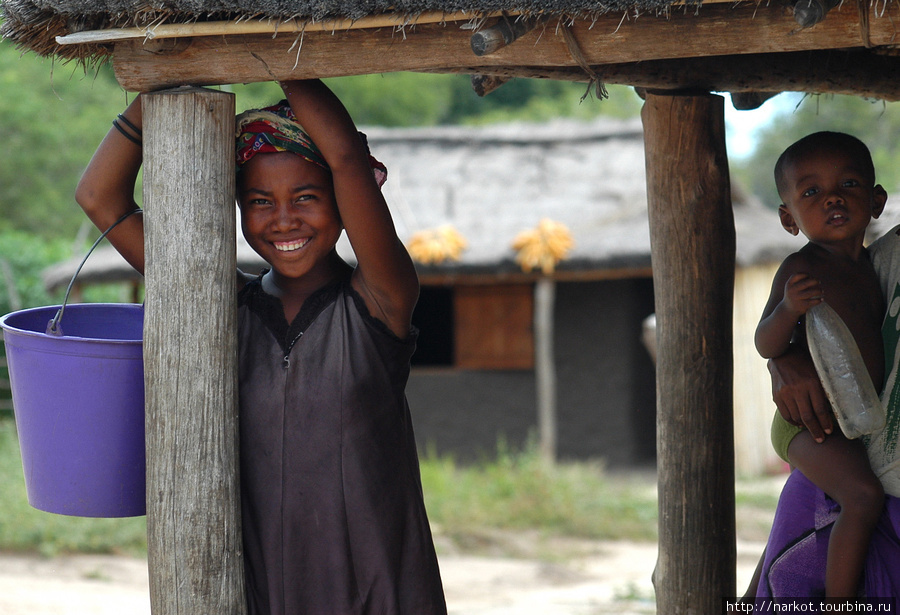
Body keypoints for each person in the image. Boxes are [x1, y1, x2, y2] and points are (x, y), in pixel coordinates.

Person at [74, 79, 448, 615]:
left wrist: (283, 62)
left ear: (345, 200)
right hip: (260, 588)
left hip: (377, 584)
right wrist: (167, 78)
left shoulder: (380, 299)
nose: (284, 219)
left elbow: (344, 156)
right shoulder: (218, 303)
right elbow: (98, 197)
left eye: (306, 197)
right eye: (259, 202)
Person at [745, 133, 900, 604]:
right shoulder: (801, 268)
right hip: (806, 424)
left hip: (849, 424)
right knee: (862, 498)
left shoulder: (875, 266)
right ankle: (840, 603)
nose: (832, 197)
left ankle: (750, 600)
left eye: (848, 183)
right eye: (811, 191)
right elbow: (765, 342)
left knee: (821, 509)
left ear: (876, 201)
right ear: (789, 218)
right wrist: (789, 310)